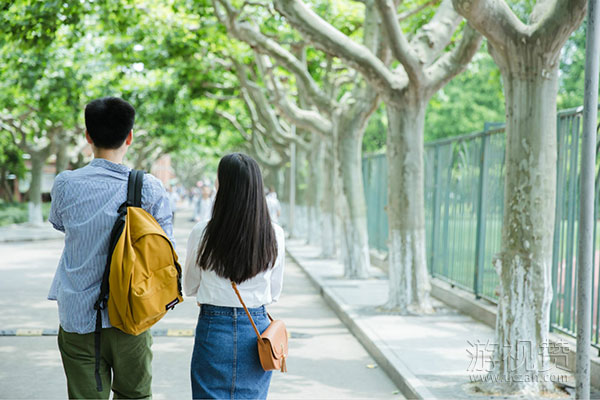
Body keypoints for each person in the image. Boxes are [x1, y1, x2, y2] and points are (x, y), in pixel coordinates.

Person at [48, 97, 174, 399]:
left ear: (88, 137)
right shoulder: (149, 188)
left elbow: (60, 223)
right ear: (129, 136)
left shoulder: (66, 184)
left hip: (78, 318)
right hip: (132, 313)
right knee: (135, 395)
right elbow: (163, 247)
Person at [184, 153, 285, 400]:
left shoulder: (203, 232)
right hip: (257, 329)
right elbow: (274, 292)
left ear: (222, 186)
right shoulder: (275, 234)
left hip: (213, 328)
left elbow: (189, 286)